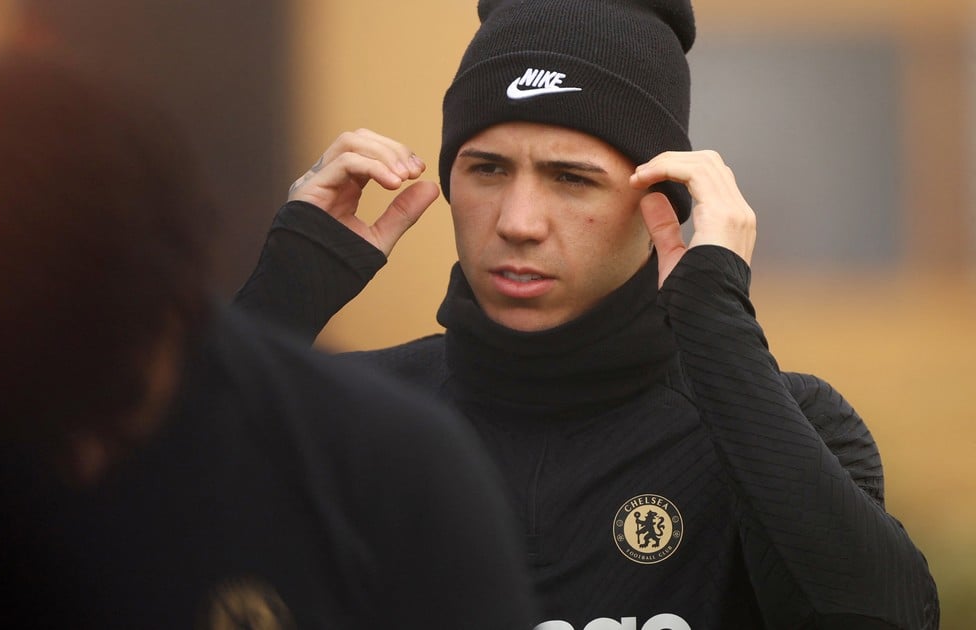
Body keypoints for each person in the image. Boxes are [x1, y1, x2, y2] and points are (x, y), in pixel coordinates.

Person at [234, 0, 940, 628]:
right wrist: (276, 306)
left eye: (571, 179)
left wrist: (719, 331)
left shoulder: (787, 425)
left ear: (661, 201)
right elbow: (173, 559)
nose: (518, 222)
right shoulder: (346, 420)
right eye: (488, 169)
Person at [0, 52, 537, 629]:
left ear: (179, 302)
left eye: (116, 409)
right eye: (14, 424)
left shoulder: (384, 469)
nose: (80, 461)